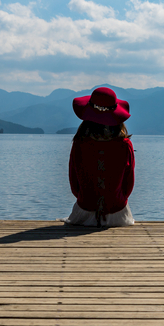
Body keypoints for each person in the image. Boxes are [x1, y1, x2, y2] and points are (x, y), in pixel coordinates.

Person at [64, 87, 135, 227]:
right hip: (118, 213)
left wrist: (85, 199)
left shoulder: (79, 143)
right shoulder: (125, 145)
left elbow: (74, 183)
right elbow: (129, 184)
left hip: (84, 211)